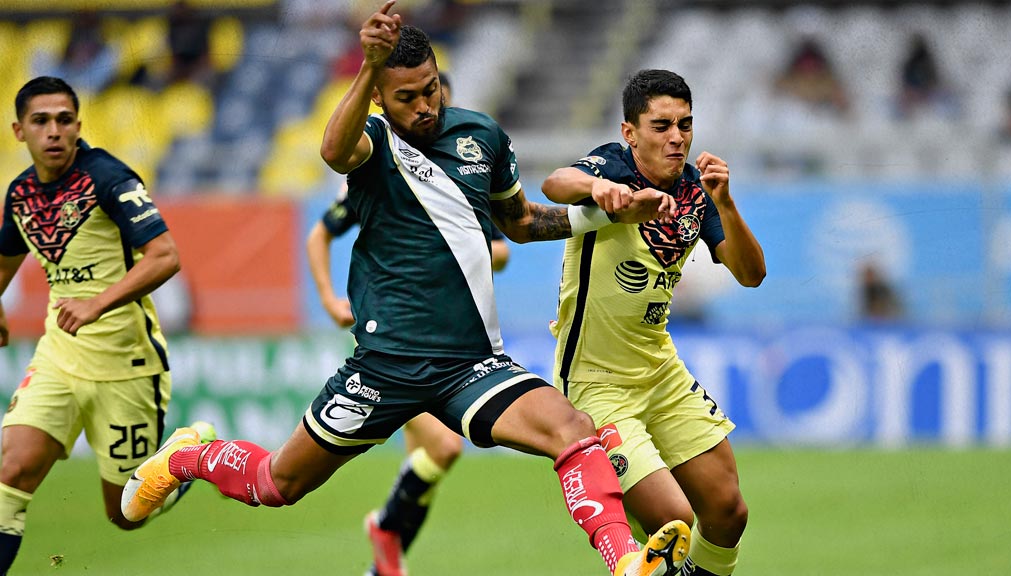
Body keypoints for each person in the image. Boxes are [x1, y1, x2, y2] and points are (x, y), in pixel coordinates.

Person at [123, 4, 688, 576]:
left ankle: (625, 562)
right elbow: (332, 152)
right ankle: (189, 458)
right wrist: (367, 66)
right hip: (386, 365)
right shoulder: (370, 142)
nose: (423, 106)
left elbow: (520, 222)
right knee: (277, 483)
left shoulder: (482, 136)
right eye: (406, 97)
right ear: (377, 98)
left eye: (429, 91)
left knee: (573, 430)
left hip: (470, 363)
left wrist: (608, 215)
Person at [542, 69, 767, 576]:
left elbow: (751, 275)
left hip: (660, 371)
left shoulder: (696, 190)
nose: (677, 137)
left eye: (685, 125)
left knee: (729, 512)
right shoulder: (613, 166)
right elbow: (554, 183)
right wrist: (599, 189)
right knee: (673, 519)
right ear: (630, 133)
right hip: (597, 384)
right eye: (661, 125)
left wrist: (726, 204)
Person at [0, 76, 211, 575]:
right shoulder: (21, 194)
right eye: (41, 121)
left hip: (126, 365)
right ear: (18, 131)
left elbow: (165, 256)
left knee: (125, 514)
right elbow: (4, 262)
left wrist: (98, 303)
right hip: (58, 358)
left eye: (64, 120)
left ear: (78, 126)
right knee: (9, 474)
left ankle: (183, 460)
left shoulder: (109, 179)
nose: (54, 131)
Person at [306, 175, 508, 576]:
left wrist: (454, 241)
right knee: (446, 448)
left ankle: (384, 558)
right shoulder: (377, 176)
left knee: (431, 459)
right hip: (395, 343)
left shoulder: (461, 178)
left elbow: (501, 251)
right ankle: (384, 529)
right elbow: (319, 236)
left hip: (451, 344)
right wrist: (329, 299)